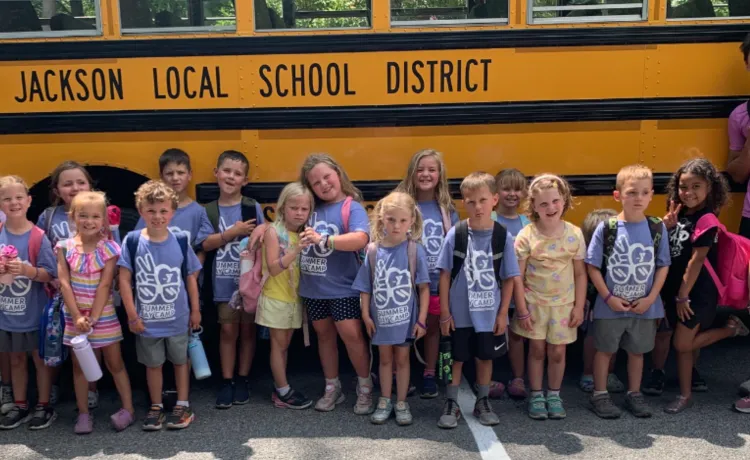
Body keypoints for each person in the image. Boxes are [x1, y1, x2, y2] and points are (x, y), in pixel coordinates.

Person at [657, 159, 748, 414]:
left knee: (682, 344)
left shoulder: (706, 219)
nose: (688, 193)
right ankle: (685, 395)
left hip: (696, 293)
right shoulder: (679, 216)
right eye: (683, 187)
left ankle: (731, 330)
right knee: (686, 345)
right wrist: (666, 227)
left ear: (711, 188)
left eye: (696, 186)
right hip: (677, 291)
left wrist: (683, 296)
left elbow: (697, 261)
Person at [436, 172, 522, 429]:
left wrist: (502, 314)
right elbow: (444, 274)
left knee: (485, 357)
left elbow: (509, 277)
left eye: (483, 200)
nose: (477, 207)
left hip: (488, 314)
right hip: (460, 314)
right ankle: (451, 402)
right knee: (455, 358)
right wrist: (444, 313)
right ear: (463, 202)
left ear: (495, 200)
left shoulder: (502, 236)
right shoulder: (457, 234)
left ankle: (483, 400)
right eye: (471, 201)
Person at [585, 165, 670, 419]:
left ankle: (634, 393)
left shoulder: (656, 228)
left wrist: (651, 298)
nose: (638, 198)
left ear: (652, 195)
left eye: (644, 193)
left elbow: (663, 265)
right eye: (632, 192)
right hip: (610, 306)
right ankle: (599, 394)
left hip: (643, 306)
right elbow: (592, 266)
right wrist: (608, 298)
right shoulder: (608, 228)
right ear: (617, 195)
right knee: (605, 350)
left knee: (637, 352)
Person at [119, 181, 202, 430]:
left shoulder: (178, 240)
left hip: (177, 317)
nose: (157, 216)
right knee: (153, 365)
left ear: (172, 213)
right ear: (141, 210)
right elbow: (124, 279)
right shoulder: (133, 241)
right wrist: (132, 315)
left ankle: (183, 403)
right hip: (147, 320)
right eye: (151, 210)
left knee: (180, 361)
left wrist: (196, 309)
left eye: (163, 211)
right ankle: (156, 406)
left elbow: (189, 276)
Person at [298, 153, 374, 414]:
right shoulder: (309, 207)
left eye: (326, 177)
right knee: (324, 337)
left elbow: (360, 238)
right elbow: (284, 222)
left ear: (338, 174)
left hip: (344, 288)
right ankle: (333, 386)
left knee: (352, 336)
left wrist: (325, 240)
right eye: (316, 182)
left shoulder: (351, 207)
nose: (323, 184)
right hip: (314, 288)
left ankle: (365, 386)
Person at [510, 174, 587, 420]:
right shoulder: (526, 235)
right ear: (533, 206)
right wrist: (521, 309)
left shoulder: (574, 234)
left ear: (564, 200)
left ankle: (553, 393)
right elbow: (517, 277)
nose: (550, 208)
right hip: (535, 305)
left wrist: (579, 306)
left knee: (557, 353)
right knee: (536, 351)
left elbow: (580, 274)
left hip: (563, 306)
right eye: (543, 204)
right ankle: (536, 394)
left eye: (555, 201)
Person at [57, 191, 135, 433]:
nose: (89, 221)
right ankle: (83, 413)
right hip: (75, 316)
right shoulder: (64, 247)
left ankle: (128, 409)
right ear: (73, 217)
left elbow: (104, 285)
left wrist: (94, 317)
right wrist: (78, 316)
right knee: (79, 367)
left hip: (103, 316)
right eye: (82, 216)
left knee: (115, 362)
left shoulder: (109, 248)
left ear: (103, 219)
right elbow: (64, 283)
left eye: (94, 216)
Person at [354, 191, 430, 425]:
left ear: (412, 221)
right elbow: (365, 287)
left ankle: (401, 401)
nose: (397, 226)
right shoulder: (373, 250)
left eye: (403, 220)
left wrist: (421, 320)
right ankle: (385, 399)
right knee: (385, 360)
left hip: (405, 320)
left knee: (403, 360)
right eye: (391, 220)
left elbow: (424, 288)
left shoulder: (415, 250)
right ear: (381, 219)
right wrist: (366, 315)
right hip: (381, 319)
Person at [201, 150, 264, 409]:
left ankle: (243, 378)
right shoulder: (209, 210)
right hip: (222, 283)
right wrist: (233, 232)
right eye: (226, 171)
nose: (231, 177)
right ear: (216, 173)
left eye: (237, 174)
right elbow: (204, 243)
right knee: (228, 330)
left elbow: (263, 236)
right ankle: (226, 380)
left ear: (245, 180)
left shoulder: (251, 207)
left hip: (248, 282)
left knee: (248, 330)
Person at [395, 149, 458, 399]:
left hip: (434, 282)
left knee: (431, 329)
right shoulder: (402, 204)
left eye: (432, 169)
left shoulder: (446, 210)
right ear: (412, 172)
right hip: (405, 281)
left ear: (440, 174)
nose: (425, 174)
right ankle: (401, 374)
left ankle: (429, 372)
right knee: (403, 330)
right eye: (420, 169)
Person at [0, 175, 57, 430]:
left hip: (34, 313)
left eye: (19, 197)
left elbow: (50, 274)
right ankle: (20, 404)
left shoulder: (37, 237)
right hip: (7, 313)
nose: (14, 203)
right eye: (7, 198)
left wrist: (26, 270)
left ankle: (43, 404)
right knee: (15, 360)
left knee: (39, 359)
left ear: (29, 200)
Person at [255, 182, 315, 410]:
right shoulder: (274, 232)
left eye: (304, 209)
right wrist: (296, 249)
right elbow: (273, 268)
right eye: (294, 208)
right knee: (278, 346)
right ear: (282, 208)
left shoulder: (300, 233)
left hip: (292, 298)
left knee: (285, 345)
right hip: (276, 297)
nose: (299, 213)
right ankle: (282, 391)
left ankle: (281, 386)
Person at [493, 168, 531, 399]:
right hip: (495, 288)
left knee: (516, 334)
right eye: (506, 188)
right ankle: (494, 376)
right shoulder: (490, 220)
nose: (512, 194)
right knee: (497, 332)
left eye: (517, 189)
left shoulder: (527, 223)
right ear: (496, 192)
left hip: (521, 288)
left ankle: (518, 377)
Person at [579, 209, 624, 394]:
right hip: (594, 304)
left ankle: (609, 372)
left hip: (615, 303)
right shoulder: (585, 256)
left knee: (614, 338)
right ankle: (588, 372)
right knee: (593, 337)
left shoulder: (619, 254)